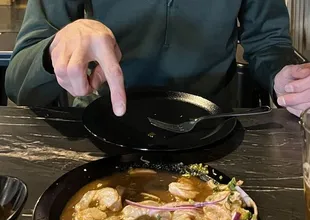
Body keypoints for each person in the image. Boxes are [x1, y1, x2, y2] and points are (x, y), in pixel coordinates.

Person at [4, 0, 310, 117]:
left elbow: (269, 42)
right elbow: (18, 81)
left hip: (213, 127)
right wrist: (55, 50)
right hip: (100, 128)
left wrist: (283, 77)